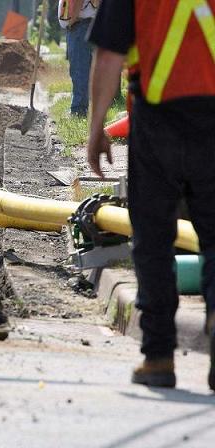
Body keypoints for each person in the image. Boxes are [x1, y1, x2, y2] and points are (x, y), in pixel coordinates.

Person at [87, 0, 215, 391]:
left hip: (157, 122)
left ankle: (158, 356)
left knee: (153, 239)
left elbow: (109, 54)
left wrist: (96, 128)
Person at [58, 0, 99, 116]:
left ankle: (78, 110)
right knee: (83, 69)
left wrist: (71, 21)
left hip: (79, 26)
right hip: (82, 25)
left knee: (80, 70)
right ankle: (82, 107)